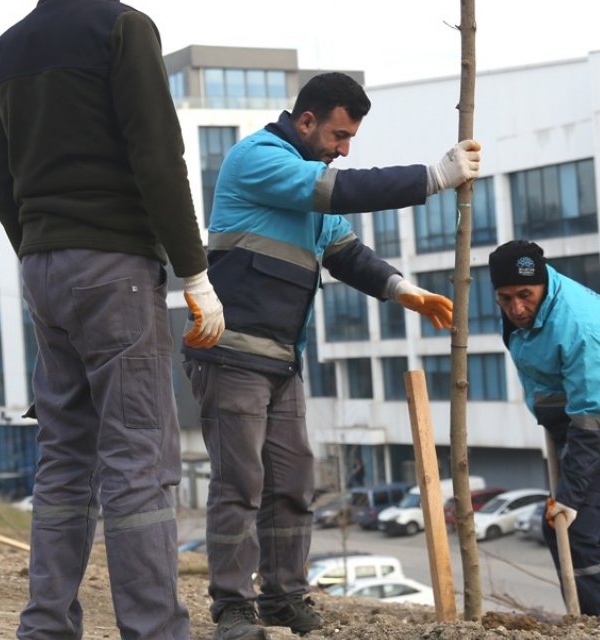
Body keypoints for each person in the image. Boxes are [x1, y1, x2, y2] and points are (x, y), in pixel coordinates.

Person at [181, 71, 480, 640]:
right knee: (239, 485)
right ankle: (233, 609)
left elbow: (344, 252)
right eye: (339, 136)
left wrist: (401, 290)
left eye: (350, 141)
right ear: (306, 120)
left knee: (292, 484)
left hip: (281, 360)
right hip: (233, 355)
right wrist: (434, 178)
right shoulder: (259, 160)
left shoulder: (308, 179)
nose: (343, 150)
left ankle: (283, 598)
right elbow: (334, 191)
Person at [0, 2, 224, 638]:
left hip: (43, 267)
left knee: (64, 457)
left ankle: (46, 627)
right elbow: (157, 153)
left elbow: (0, 183)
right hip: (114, 265)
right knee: (137, 457)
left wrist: (41, 250)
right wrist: (194, 273)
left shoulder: (2, 53)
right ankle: (153, 630)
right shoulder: (122, 28)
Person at [487, 239, 600, 627]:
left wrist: (570, 498)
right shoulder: (525, 306)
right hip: (573, 415)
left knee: (570, 526)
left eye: (525, 295)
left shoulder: (580, 328)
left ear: (542, 284)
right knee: (598, 522)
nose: (516, 308)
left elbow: (592, 418)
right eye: (505, 299)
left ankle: (596, 626)